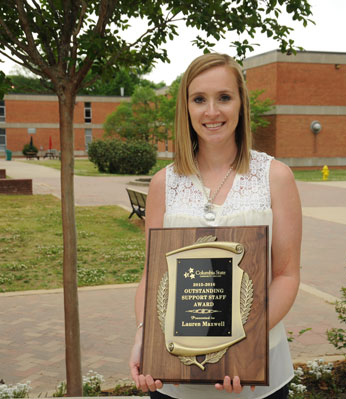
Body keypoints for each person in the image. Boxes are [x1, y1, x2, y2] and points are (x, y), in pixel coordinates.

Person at [129, 53, 302, 399]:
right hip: (175, 380)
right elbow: (153, 276)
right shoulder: (164, 184)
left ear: (241, 104)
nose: (212, 112)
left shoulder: (275, 177)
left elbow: (286, 275)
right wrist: (143, 336)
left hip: (255, 374)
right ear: (186, 108)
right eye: (199, 99)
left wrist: (243, 342)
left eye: (224, 97)